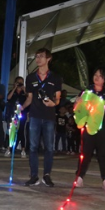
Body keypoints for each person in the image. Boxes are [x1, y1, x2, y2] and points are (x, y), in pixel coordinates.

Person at [22, 48, 63, 187]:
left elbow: (58, 98)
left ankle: (47, 175)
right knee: (33, 146)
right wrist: (21, 108)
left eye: (41, 56)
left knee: (49, 147)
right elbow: (29, 98)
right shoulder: (31, 78)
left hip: (49, 116)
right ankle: (34, 175)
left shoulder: (55, 77)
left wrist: (54, 103)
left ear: (48, 59)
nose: (38, 59)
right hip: (34, 115)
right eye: (36, 56)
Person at [74, 68, 105, 190]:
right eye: (95, 75)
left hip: (103, 127)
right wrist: (78, 102)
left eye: (100, 76)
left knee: (103, 153)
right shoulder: (87, 91)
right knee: (85, 152)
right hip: (89, 126)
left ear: (104, 79)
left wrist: (98, 104)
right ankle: (80, 177)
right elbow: (77, 106)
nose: (96, 77)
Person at [6, 76, 27, 154]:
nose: (20, 83)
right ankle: (9, 149)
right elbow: (8, 98)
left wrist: (24, 90)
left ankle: (23, 149)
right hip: (13, 114)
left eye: (21, 82)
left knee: (21, 130)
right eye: (18, 82)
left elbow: (29, 98)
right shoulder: (12, 91)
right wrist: (14, 88)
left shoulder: (24, 93)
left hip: (22, 114)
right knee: (12, 131)